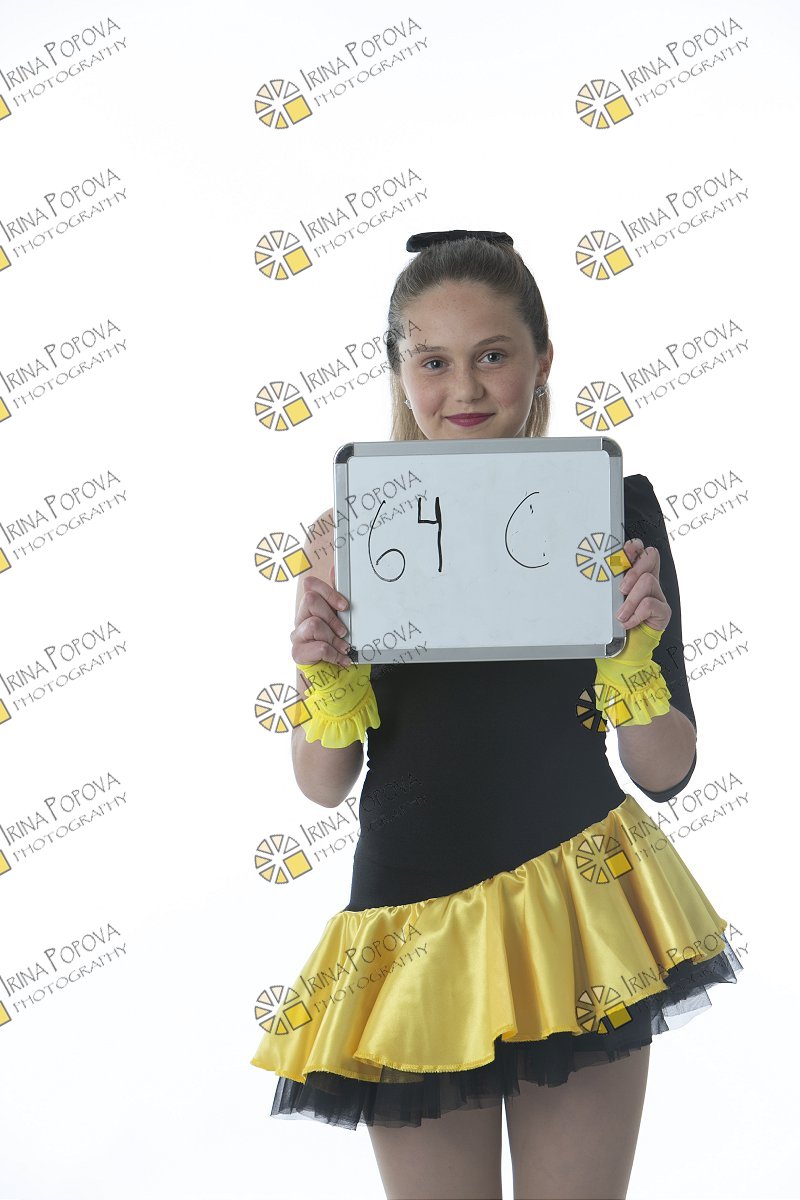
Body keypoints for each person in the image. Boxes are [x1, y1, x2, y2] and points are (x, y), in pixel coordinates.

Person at [250, 231, 743, 1200]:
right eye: (432, 361)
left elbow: (664, 769)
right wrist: (323, 678)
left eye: (491, 354)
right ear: (399, 372)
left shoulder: (609, 512)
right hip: (407, 924)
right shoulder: (353, 527)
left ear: (541, 360)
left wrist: (632, 658)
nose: (464, 388)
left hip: (580, 907)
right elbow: (321, 784)